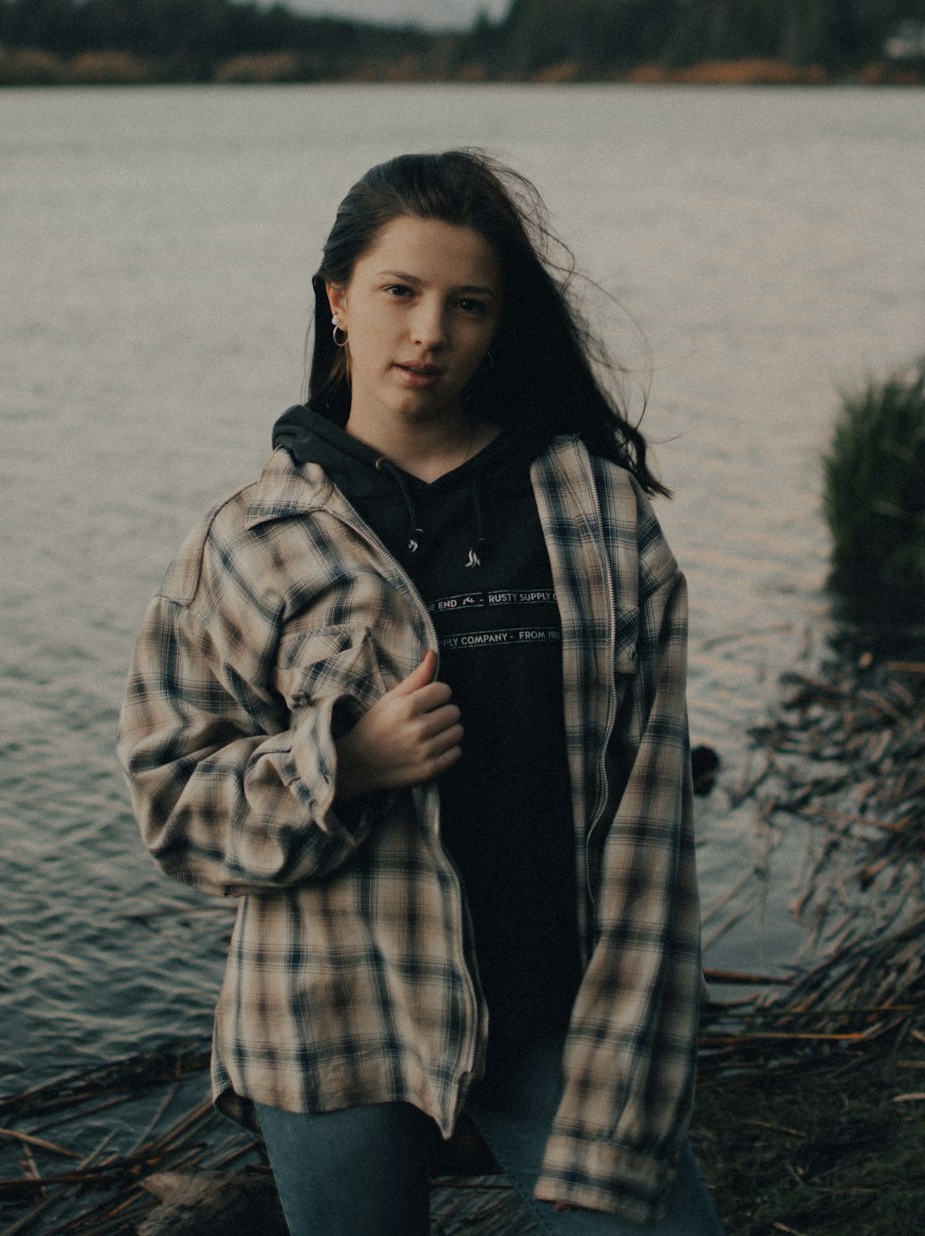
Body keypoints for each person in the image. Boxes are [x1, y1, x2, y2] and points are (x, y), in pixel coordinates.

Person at [118, 149, 722, 1235]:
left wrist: (641, 1023)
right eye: (399, 292)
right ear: (338, 299)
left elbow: (654, 806)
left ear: (500, 326)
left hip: (559, 1014)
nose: (429, 332)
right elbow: (171, 802)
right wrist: (340, 767)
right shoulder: (252, 539)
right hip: (329, 1016)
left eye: (468, 305)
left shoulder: (596, 512)